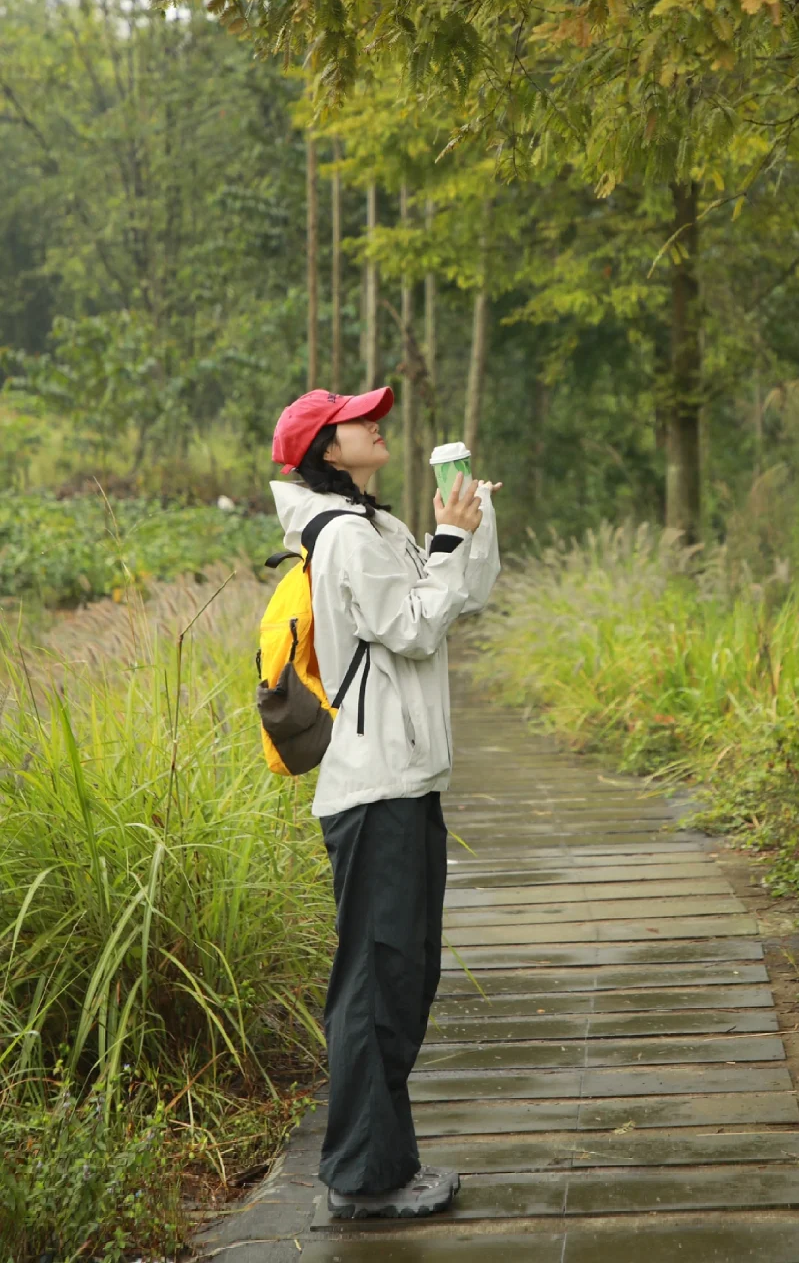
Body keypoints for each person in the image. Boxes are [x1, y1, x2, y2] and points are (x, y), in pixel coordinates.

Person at [268, 386, 501, 1220]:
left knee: (402, 976)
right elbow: (411, 627)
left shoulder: (379, 526)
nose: (377, 423)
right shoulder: (341, 540)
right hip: (373, 785)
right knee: (376, 980)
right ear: (328, 451)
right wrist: (447, 539)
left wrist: (467, 527)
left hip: (406, 778)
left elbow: (463, 597)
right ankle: (364, 1180)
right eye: (358, 420)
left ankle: (383, 1165)